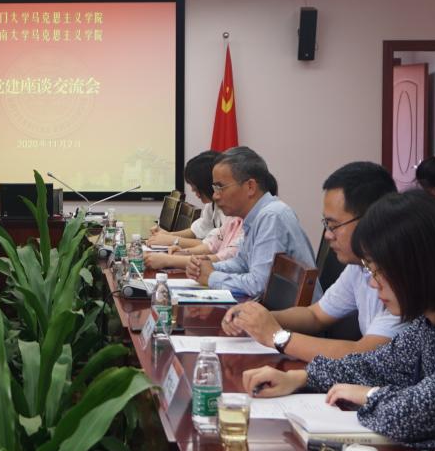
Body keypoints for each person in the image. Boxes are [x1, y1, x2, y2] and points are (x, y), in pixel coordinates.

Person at [241, 190, 435, 451]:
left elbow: (418, 414)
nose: (373, 283)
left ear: (418, 268)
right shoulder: (432, 321)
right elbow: (376, 365)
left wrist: (369, 394)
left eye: (378, 271)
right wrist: (300, 378)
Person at [221, 161, 401, 360]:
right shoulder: (359, 266)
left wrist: (277, 336)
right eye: (326, 224)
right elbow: (315, 315)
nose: (328, 235)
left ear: (371, 219)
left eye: (333, 225)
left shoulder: (402, 277)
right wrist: (257, 318)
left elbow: (365, 353)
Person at [185, 147, 318, 299]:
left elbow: (258, 285)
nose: (215, 196)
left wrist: (211, 276)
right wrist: (208, 266)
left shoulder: (272, 217)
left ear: (250, 187)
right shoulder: (255, 217)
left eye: (220, 187)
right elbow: (242, 263)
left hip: (292, 313)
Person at [147, 151, 223, 248]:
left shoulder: (231, 209)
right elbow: (199, 229)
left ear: (205, 183)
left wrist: (173, 240)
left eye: (194, 185)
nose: (192, 190)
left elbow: (214, 245)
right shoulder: (211, 204)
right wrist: (168, 235)